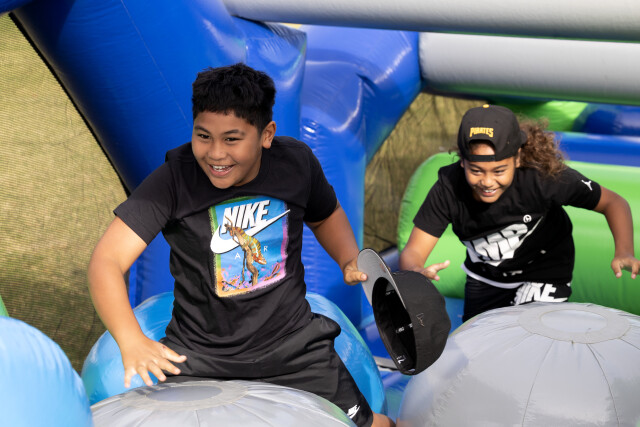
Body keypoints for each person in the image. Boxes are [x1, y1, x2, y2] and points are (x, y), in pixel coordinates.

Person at [88, 63, 394, 427]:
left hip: (297, 352)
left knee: (367, 425)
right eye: (203, 136)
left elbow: (325, 214)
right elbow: (107, 261)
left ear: (266, 134)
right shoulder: (175, 179)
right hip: (199, 361)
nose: (216, 153)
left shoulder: (295, 164)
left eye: (232, 139)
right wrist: (130, 339)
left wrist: (347, 257)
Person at [400, 104, 640, 322]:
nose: (487, 182)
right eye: (476, 170)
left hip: (544, 272)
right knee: (477, 343)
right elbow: (414, 251)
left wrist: (624, 251)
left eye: (499, 171)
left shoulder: (542, 178)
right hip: (486, 277)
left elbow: (613, 202)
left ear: (517, 158)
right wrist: (416, 272)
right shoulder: (449, 188)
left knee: (526, 332)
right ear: (462, 161)